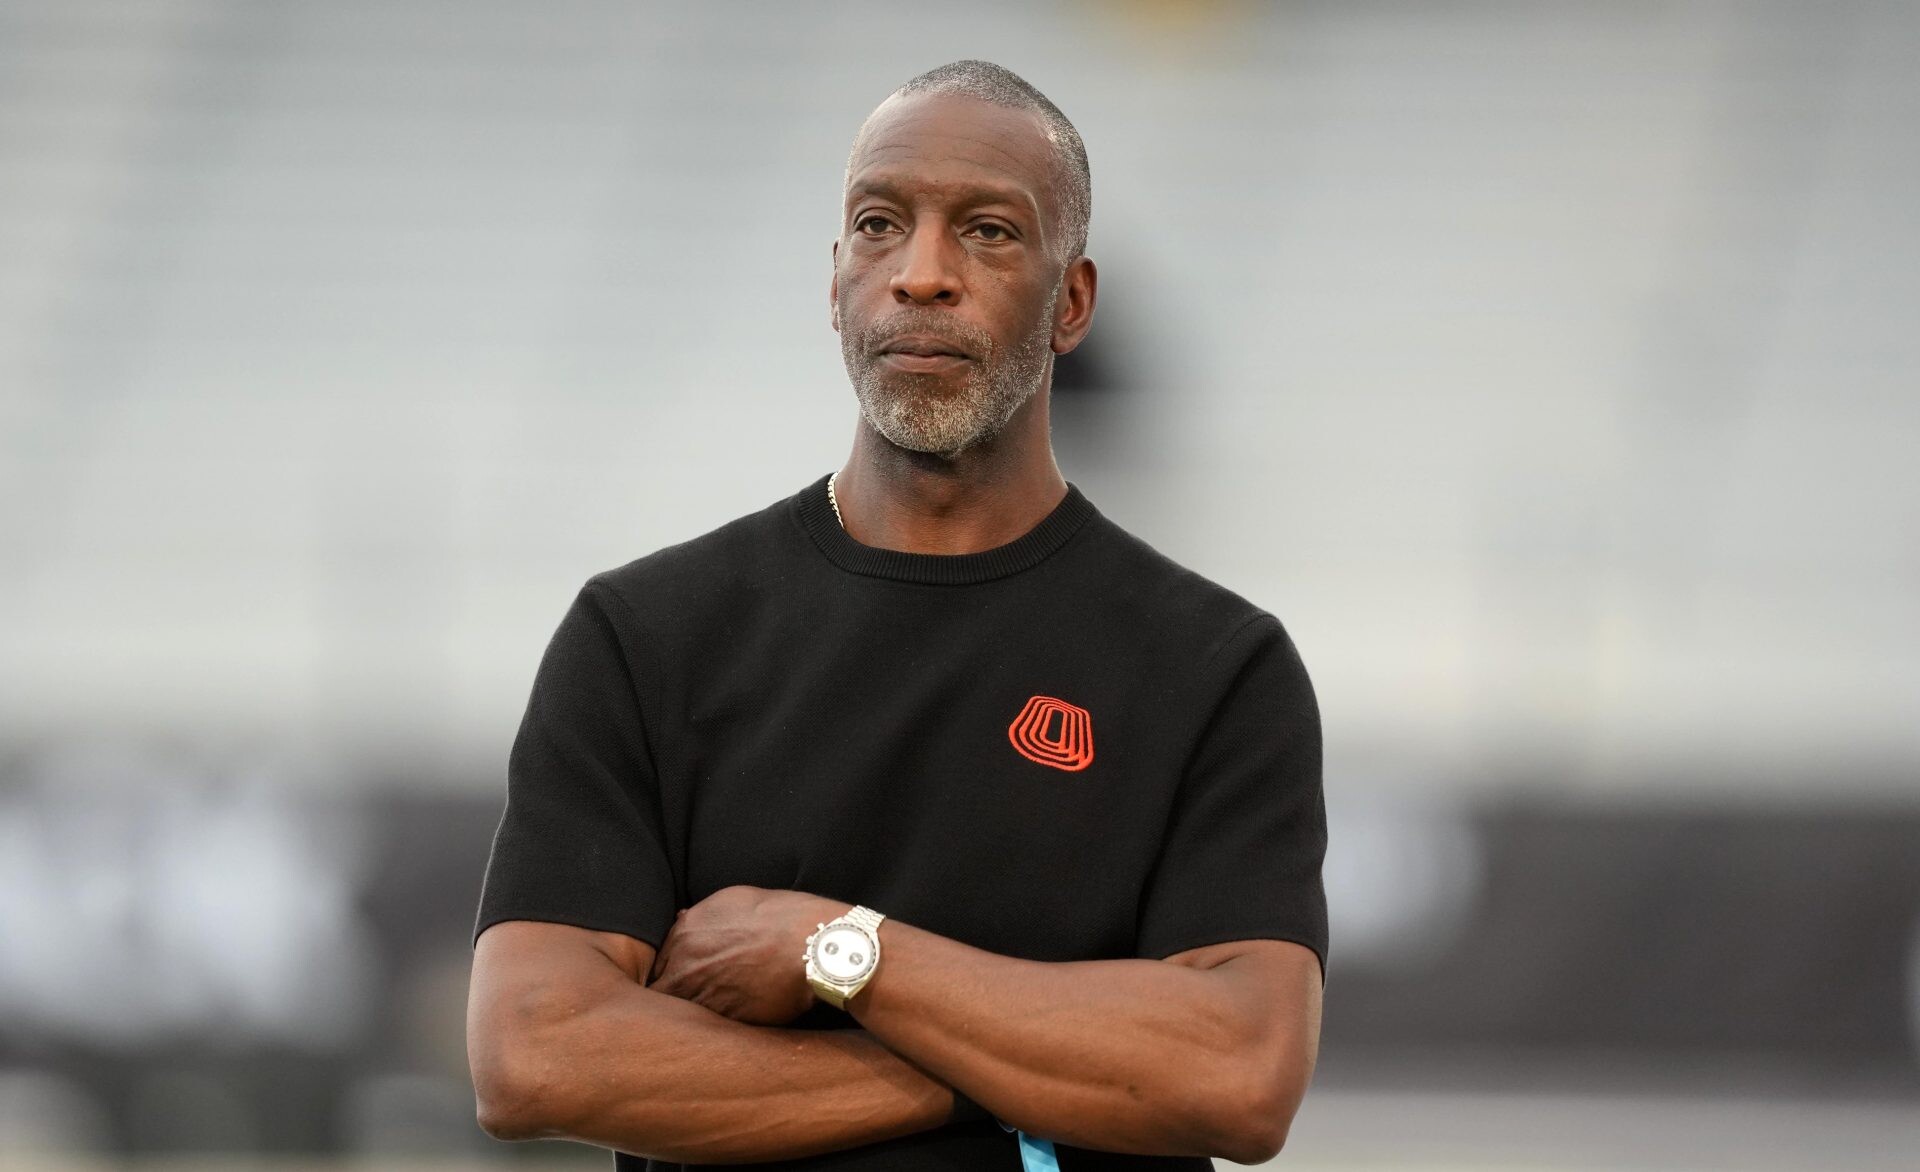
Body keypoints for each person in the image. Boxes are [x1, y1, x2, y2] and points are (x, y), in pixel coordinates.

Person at [465, 59, 1327, 1170]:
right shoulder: (645, 636)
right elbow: (535, 1058)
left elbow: (1239, 1077)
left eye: (988, 232)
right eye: (879, 225)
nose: (922, 275)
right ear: (835, 283)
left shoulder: (1215, 667)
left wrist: (836, 949)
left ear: (1071, 303)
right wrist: (1010, 1072)